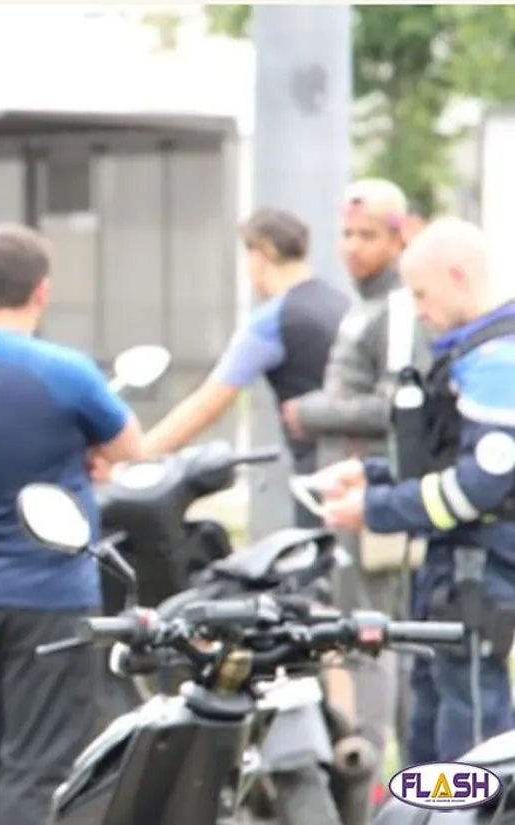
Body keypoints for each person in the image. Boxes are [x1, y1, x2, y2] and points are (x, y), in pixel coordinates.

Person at [0, 224, 145, 825]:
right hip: (46, 593)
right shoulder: (62, 370)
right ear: (41, 291)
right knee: (36, 765)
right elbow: (130, 447)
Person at [321, 217, 515, 764]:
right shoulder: (472, 352)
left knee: (473, 744)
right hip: (452, 571)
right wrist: (375, 477)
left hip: (482, 577)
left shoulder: (500, 360)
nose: (418, 309)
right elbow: (449, 456)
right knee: (428, 733)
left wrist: (377, 508)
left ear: (457, 276)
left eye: (422, 293)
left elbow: (481, 485)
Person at [279, 178, 425, 787]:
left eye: (368, 235)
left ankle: (379, 779)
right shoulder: (364, 303)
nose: (353, 247)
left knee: (372, 637)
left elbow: (399, 405)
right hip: (351, 496)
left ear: (399, 238)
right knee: (367, 635)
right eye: (346, 233)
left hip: (376, 500)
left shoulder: (395, 308)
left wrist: (312, 411)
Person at [132, 207, 350, 517]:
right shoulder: (340, 302)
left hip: (318, 478)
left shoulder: (273, 320)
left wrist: (134, 458)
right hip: (360, 470)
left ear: (261, 253)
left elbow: (207, 405)